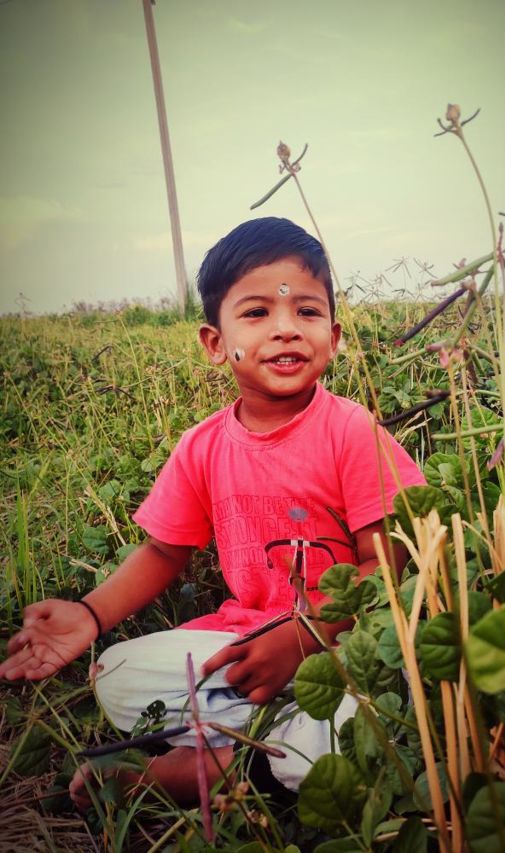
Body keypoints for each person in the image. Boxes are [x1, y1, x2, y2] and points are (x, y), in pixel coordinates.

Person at [0, 217, 425, 809]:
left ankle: (220, 764)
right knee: (116, 675)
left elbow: (386, 570)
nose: (286, 328)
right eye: (257, 312)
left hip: (343, 649)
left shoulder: (351, 430)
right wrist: (91, 615)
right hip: (245, 642)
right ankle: (265, 746)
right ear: (215, 344)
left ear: (334, 337)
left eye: (306, 311)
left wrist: (304, 637)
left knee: (365, 724)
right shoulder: (201, 446)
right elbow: (163, 550)